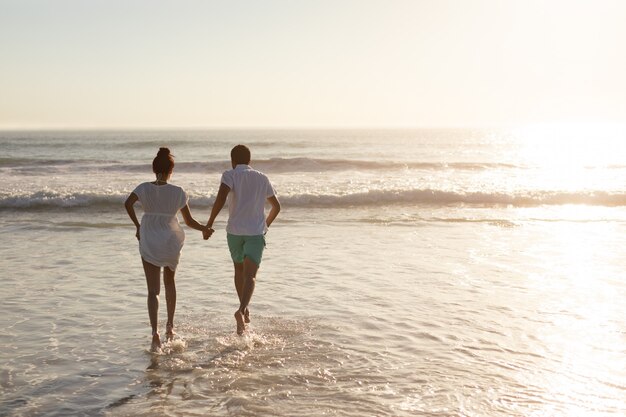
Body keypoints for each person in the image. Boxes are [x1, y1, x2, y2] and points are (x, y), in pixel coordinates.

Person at [125, 147, 212, 351]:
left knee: (153, 290)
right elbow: (189, 221)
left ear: (154, 169)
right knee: (170, 283)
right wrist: (204, 229)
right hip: (170, 239)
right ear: (171, 170)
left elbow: (127, 204)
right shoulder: (178, 192)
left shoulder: (143, 188)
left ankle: (155, 333)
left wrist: (138, 226)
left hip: (150, 237)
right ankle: (170, 327)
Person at [204, 145, 281, 335]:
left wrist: (209, 223)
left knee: (239, 271)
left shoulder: (229, 175)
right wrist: (266, 226)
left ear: (232, 160)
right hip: (255, 232)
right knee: (251, 276)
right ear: (249, 160)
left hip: (234, 232)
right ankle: (241, 309)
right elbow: (276, 207)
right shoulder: (262, 178)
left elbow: (220, 199)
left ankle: (244, 309)